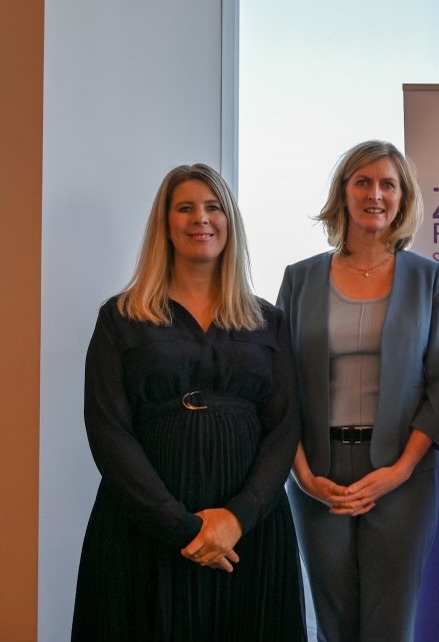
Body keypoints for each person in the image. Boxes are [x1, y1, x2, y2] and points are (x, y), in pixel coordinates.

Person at [71, 164, 304, 642]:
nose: (201, 218)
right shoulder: (120, 318)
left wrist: (239, 516)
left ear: (230, 221)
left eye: (213, 207)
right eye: (186, 208)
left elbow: (284, 428)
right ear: (165, 223)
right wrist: (180, 527)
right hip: (142, 529)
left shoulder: (269, 321)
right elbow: (107, 429)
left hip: (250, 536)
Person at [277, 140, 439, 642]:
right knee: (333, 625)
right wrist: (304, 475)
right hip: (319, 474)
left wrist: (399, 470)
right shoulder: (300, 279)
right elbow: (279, 385)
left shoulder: (428, 278)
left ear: (402, 199)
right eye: (362, 181)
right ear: (343, 193)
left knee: (389, 625)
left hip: (402, 476)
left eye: (387, 184)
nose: (374, 194)